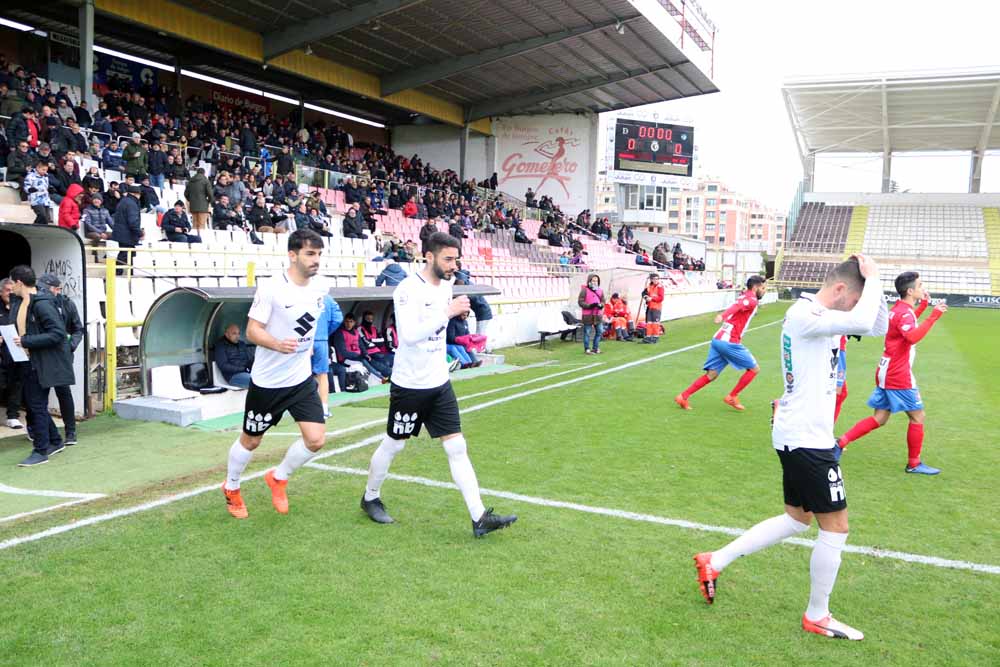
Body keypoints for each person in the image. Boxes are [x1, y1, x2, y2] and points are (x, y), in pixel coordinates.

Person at [693, 256, 883, 642]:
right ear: (842, 290)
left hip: (801, 433)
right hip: (808, 439)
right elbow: (864, 321)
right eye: (854, 297)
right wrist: (875, 279)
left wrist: (871, 279)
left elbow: (878, 323)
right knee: (836, 526)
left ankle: (715, 560)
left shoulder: (821, 312)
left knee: (797, 520)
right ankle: (818, 615)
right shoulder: (805, 314)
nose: (854, 308)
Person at [359, 232, 517, 536]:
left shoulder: (446, 287)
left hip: (438, 382)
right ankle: (370, 498)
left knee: (457, 446)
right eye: (448, 258)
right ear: (428, 257)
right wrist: (448, 311)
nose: (453, 265)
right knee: (394, 444)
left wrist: (453, 313)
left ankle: (479, 517)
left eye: (456, 258)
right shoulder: (407, 290)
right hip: (410, 385)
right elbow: (410, 335)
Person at [221, 229, 334, 519]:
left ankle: (278, 477)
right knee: (252, 439)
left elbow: (308, 324)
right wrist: (277, 344)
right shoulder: (271, 288)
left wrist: (306, 349)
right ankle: (231, 486)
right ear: (292, 255)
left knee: (316, 439)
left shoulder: (320, 287)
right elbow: (252, 330)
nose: (316, 260)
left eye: (319, 254)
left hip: (300, 379)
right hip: (268, 382)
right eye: (310, 253)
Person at [836, 272, 947, 475]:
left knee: (880, 417)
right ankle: (914, 464)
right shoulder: (904, 313)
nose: (923, 288)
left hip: (887, 369)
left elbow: (907, 323)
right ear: (910, 291)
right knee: (917, 416)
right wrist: (934, 315)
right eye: (920, 285)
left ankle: (840, 443)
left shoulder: (899, 309)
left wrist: (922, 306)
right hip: (898, 373)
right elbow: (912, 337)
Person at [7, 265, 73, 466]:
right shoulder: (20, 301)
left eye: (11, 282)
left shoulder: (42, 303)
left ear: (19, 282)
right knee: (35, 404)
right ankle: (54, 441)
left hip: (42, 362)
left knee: (36, 406)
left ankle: (41, 450)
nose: (9, 287)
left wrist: (26, 341)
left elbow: (57, 334)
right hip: (28, 360)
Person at [675, 276, 767, 412]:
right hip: (729, 341)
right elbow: (737, 306)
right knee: (754, 369)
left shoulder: (746, 296)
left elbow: (738, 306)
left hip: (718, 339)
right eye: (763, 288)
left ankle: (683, 396)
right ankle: (732, 396)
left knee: (712, 374)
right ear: (755, 287)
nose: (764, 291)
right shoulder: (751, 299)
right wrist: (722, 316)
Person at [37, 273, 83, 445]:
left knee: (63, 392)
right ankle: (40, 432)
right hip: (42, 355)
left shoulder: (67, 303)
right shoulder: (37, 304)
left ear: (56, 289)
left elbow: (78, 329)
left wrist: (71, 346)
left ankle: (70, 432)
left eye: (44, 287)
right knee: (39, 394)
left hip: (62, 356)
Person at [331, 312, 388, 383]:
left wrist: (365, 354)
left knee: (371, 360)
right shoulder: (339, 333)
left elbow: (361, 345)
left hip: (358, 357)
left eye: (351, 322)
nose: (348, 324)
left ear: (354, 323)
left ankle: (381, 376)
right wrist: (358, 356)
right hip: (345, 359)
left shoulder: (356, 332)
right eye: (347, 321)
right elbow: (342, 352)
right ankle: (381, 378)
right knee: (363, 362)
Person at [312, 294, 344, 416]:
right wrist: (326, 332)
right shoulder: (328, 298)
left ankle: (304, 409)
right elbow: (338, 319)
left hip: (303, 341)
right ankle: (324, 408)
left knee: (302, 375)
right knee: (322, 375)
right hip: (321, 340)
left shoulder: (301, 294)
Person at [0, 279, 26, 429]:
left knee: (17, 383)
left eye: (12, 290)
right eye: (7, 291)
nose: (10, 293)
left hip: (17, 352)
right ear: (1, 292)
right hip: (1, 353)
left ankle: (13, 416)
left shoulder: (20, 307)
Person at [111, 185, 143, 275]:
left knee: (126, 254)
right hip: (127, 234)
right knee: (125, 254)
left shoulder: (124, 201)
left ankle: (125, 273)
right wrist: (139, 233)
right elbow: (133, 222)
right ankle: (117, 273)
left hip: (122, 233)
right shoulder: (131, 204)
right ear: (135, 194)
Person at [214, 323, 255, 389]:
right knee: (255, 381)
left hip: (246, 373)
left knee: (264, 377)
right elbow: (223, 365)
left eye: (238, 333)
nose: (237, 336)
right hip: (232, 376)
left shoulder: (242, 344)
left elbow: (248, 360)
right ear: (226, 334)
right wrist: (243, 369)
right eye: (234, 333)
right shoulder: (221, 346)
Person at [578, 273, 606, 355]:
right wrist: (589, 306)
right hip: (588, 315)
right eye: (593, 280)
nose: (595, 282)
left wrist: (601, 305)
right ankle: (587, 349)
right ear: (589, 281)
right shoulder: (584, 290)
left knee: (599, 331)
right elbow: (580, 302)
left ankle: (595, 348)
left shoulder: (600, 291)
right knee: (587, 332)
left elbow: (603, 300)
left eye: (596, 281)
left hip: (598, 314)